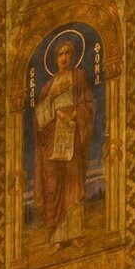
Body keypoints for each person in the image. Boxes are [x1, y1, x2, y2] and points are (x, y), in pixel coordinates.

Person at [31, 35, 93, 238]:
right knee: (53, 183)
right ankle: (57, 236)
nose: (64, 58)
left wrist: (74, 113)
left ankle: (75, 234)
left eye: (67, 54)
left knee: (73, 181)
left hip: (70, 131)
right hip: (51, 134)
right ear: (55, 59)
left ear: (73, 56)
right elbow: (39, 116)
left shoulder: (79, 77)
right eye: (60, 54)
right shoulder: (47, 87)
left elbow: (88, 104)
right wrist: (51, 100)